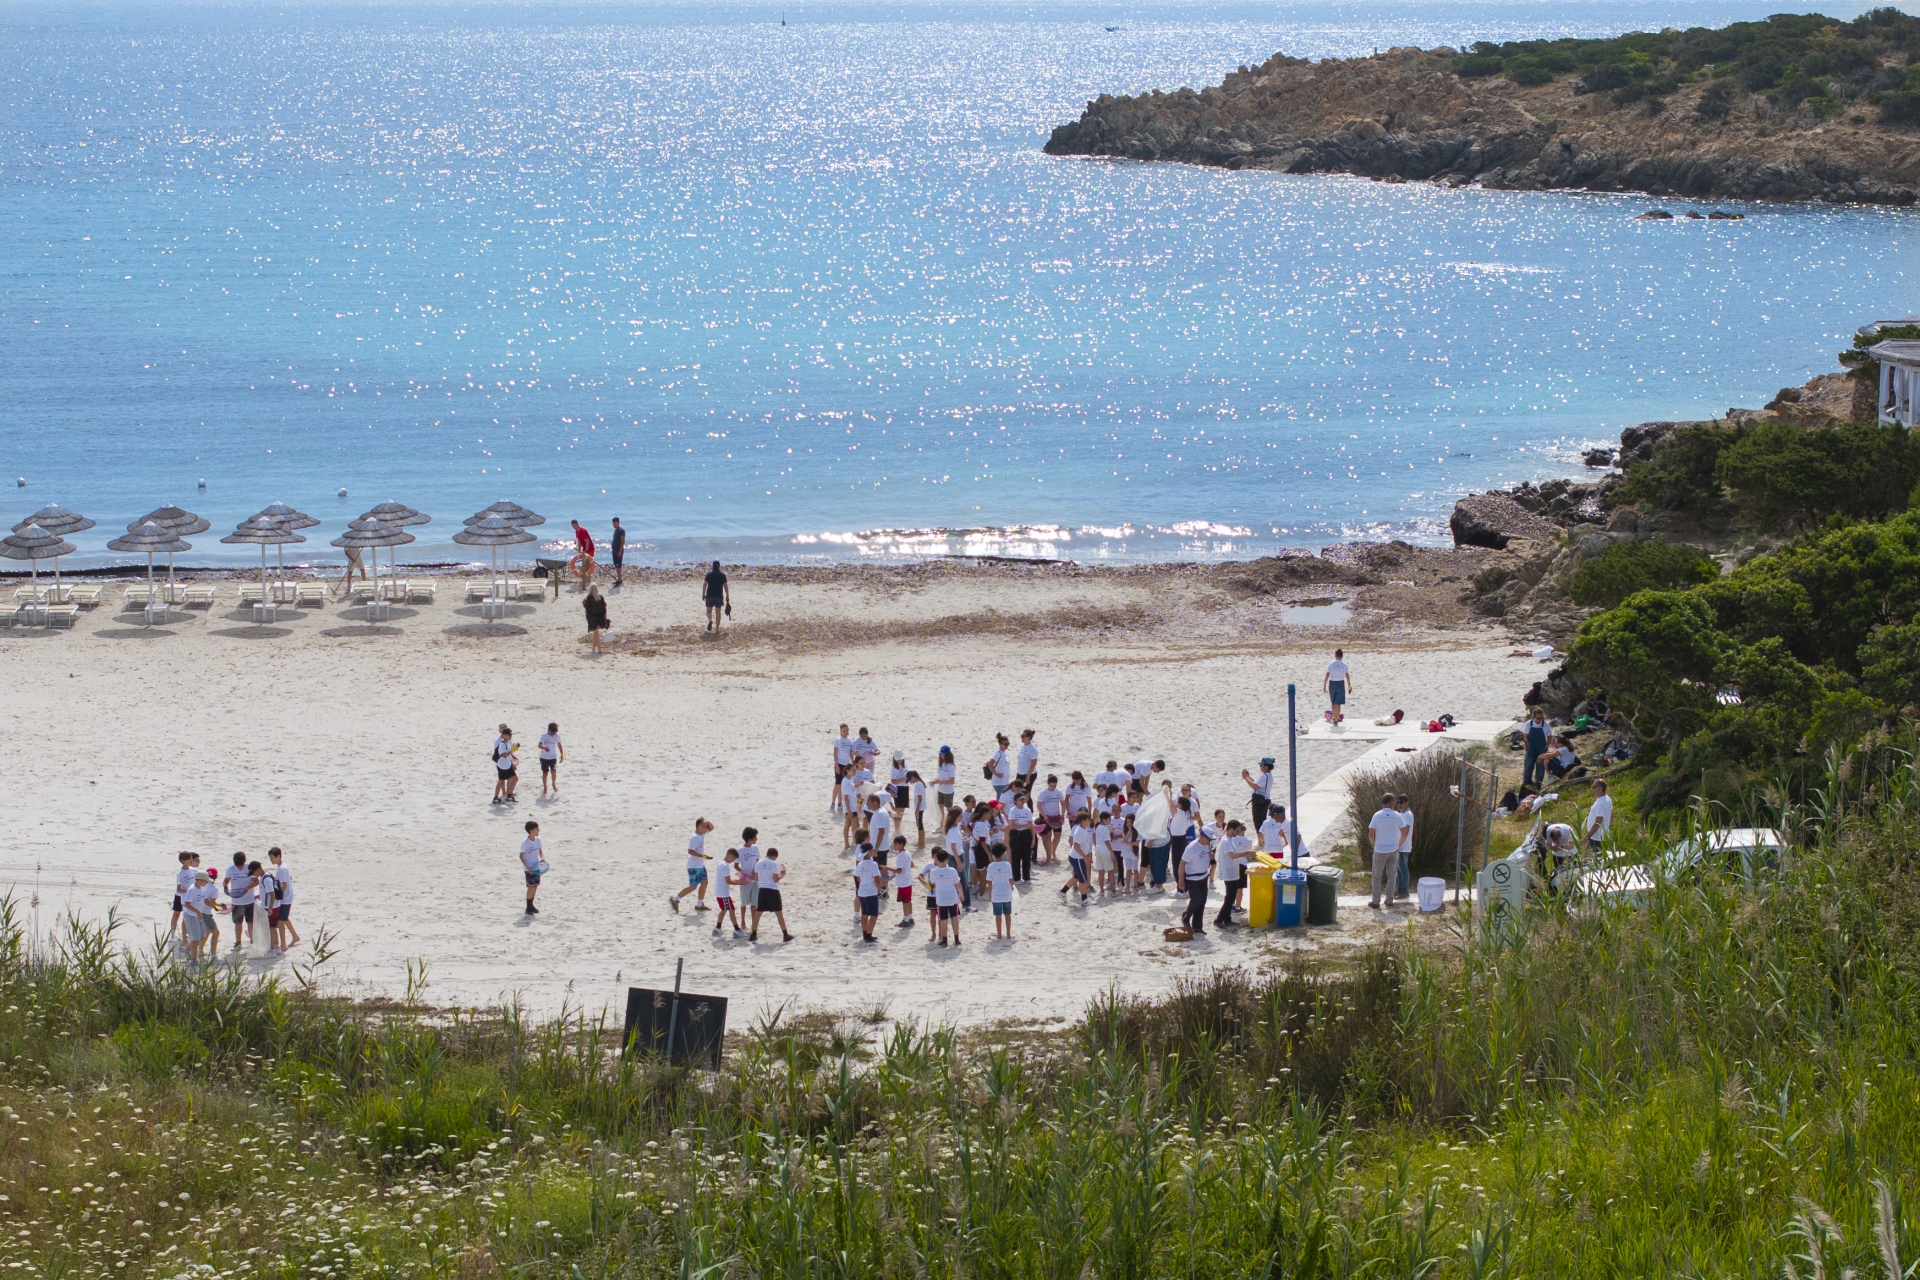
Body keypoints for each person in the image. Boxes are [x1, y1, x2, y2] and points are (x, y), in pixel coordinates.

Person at [670, 818, 715, 913]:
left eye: (705, 826)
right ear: (698, 826)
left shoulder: (702, 834)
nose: (705, 828)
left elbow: (712, 828)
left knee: (704, 883)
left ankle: (699, 904)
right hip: (693, 866)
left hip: (700, 865)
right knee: (693, 886)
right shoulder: (694, 837)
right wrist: (702, 856)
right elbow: (690, 851)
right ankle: (675, 899)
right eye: (703, 826)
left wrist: (707, 822)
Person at [922, 848, 964, 947]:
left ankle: (944, 940)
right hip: (952, 897)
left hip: (941, 898)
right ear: (947, 859)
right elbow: (958, 884)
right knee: (954, 917)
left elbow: (932, 883)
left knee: (943, 918)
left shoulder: (933, 872)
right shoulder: (952, 870)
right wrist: (961, 894)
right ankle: (956, 938)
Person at [750, 848, 791, 943]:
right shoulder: (774, 864)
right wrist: (782, 874)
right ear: (774, 856)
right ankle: (785, 935)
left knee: (758, 913)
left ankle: (753, 934)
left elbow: (756, 878)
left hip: (762, 889)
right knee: (779, 913)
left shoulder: (759, 863)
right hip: (773, 890)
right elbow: (776, 879)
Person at [1367, 793, 1400, 908]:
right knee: (1392, 875)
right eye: (1394, 802)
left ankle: (1376, 900)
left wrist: (1373, 844)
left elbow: (1371, 833)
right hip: (1393, 849)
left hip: (1380, 849)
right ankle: (1389, 899)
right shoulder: (1397, 815)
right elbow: (1405, 830)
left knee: (1377, 876)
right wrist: (1399, 842)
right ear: (1391, 802)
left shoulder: (1377, 815)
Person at [182, 869, 221, 962]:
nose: (207, 883)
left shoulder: (201, 888)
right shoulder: (192, 890)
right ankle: (194, 961)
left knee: (202, 935)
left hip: (199, 915)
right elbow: (187, 904)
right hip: (192, 915)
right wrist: (198, 912)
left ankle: (187, 950)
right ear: (200, 880)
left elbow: (205, 901)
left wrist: (218, 907)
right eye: (205, 881)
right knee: (196, 938)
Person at [1180, 829, 1213, 935]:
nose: (1210, 841)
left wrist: (1210, 856)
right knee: (1196, 899)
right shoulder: (1191, 848)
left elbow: (1207, 854)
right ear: (1202, 837)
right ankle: (1186, 916)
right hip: (1192, 878)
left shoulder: (1207, 845)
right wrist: (1181, 881)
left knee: (1202, 901)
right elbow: (1182, 864)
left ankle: (1197, 926)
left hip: (1203, 876)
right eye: (1208, 839)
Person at [1214, 821, 1248, 926]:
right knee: (1229, 898)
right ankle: (1219, 919)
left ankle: (1227, 919)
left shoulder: (1229, 839)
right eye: (1237, 830)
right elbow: (1232, 855)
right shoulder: (1226, 841)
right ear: (1231, 829)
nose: (1238, 833)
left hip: (1232, 872)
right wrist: (1247, 853)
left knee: (1231, 897)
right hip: (1228, 873)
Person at [266, 847, 299, 951]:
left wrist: (278, 895)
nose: (271, 860)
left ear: (278, 856)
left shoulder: (281, 869)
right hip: (286, 898)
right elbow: (289, 878)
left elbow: (284, 885)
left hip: (285, 899)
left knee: (280, 922)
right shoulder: (283, 867)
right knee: (285, 918)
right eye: (270, 858)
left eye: (272, 858)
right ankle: (295, 936)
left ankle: (283, 945)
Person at [224, 852, 257, 952]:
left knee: (250, 922)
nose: (239, 867)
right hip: (236, 900)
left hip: (249, 900)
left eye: (241, 865)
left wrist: (248, 887)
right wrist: (225, 887)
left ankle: (253, 942)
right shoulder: (231, 869)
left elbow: (256, 881)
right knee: (238, 923)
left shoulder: (249, 868)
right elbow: (226, 880)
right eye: (237, 866)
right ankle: (238, 943)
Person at [853, 843, 884, 943]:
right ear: (869, 851)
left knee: (864, 914)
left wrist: (863, 882)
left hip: (862, 891)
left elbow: (857, 877)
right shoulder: (873, 864)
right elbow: (876, 879)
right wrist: (878, 889)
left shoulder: (860, 864)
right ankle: (869, 935)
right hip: (871, 892)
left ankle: (864, 934)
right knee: (874, 915)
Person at [1062, 812, 1094, 905]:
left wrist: (1088, 854)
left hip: (1079, 857)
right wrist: (1085, 857)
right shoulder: (1079, 831)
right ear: (1083, 821)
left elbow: (1085, 844)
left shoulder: (1084, 829)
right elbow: (1076, 846)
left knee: (1076, 877)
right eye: (1088, 820)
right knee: (1083, 879)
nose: (1090, 822)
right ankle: (1084, 899)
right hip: (1077, 858)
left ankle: (1062, 892)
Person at [986, 843, 1015, 940]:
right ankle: (1008, 934)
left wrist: (990, 895)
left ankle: (999, 934)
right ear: (1003, 854)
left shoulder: (991, 866)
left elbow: (989, 882)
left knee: (998, 915)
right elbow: (1010, 879)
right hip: (1006, 892)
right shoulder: (1007, 865)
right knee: (1007, 914)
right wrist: (1012, 887)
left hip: (996, 893)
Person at [1007, 791, 1036, 882]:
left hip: (1026, 834)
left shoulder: (1027, 810)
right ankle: (1016, 878)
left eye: (1023, 799)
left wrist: (1033, 838)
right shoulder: (1013, 811)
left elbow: (1030, 825)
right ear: (1015, 801)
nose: (1023, 800)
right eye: (1021, 799)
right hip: (1016, 835)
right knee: (1016, 857)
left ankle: (1026, 877)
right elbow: (1012, 826)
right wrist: (1023, 826)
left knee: (1026, 856)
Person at [713, 849, 743, 936]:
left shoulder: (721, 863)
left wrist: (738, 881)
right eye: (733, 858)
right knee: (731, 910)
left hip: (720, 892)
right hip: (723, 894)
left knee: (724, 909)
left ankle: (718, 928)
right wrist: (740, 882)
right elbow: (728, 881)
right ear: (730, 855)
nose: (733, 861)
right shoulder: (725, 866)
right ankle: (737, 929)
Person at [520, 821, 546, 915]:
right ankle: (528, 907)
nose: (538, 830)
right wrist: (527, 867)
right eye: (536, 829)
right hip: (529, 868)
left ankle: (531, 905)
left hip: (537, 866)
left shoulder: (538, 840)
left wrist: (542, 858)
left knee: (535, 886)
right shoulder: (525, 843)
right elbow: (521, 856)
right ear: (531, 831)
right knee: (530, 887)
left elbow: (540, 850)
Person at [1243, 757, 1275, 831]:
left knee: (1258, 822)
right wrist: (1248, 777)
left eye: (1261, 765)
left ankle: (1261, 839)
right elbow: (1256, 783)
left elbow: (1255, 786)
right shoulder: (1268, 775)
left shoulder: (1264, 776)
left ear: (1266, 767)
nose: (1260, 766)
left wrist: (1245, 778)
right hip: (1265, 800)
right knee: (1262, 821)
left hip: (1260, 801)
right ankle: (1263, 838)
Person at [735, 828, 761, 918]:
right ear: (750, 839)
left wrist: (756, 872)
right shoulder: (741, 850)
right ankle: (743, 922)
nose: (756, 839)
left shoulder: (755, 848)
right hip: (745, 880)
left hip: (755, 879)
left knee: (754, 904)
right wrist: (744, 874)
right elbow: (736, 865)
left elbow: (758, 861)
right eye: (755, 837)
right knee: (744, 902)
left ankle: (754, 923)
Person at [1522, 707, 1550, 788]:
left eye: (1541, 718)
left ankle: (1538, 783)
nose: (1539, 720)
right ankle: (1527, 782)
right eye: (1538, 718)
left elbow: (1549, 736)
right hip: (1531, 747)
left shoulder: (1545, 725)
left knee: (1541, 766)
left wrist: (1547, 745)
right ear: (1534, 717)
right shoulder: (1529, 724)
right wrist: (1527, 745)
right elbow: (1526, 736)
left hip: (1541, 748)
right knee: (1528, 765)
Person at [1393, 793, 1414, 903]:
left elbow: (1405, 831)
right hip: (1399, 846)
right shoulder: (1401, 814)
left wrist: (1399, 843)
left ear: (1406, 803)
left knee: (1403, 869)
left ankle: (1404, 890)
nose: (1399, 805)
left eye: (1401, 802)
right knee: (1399, 870)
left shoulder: (1408, 815)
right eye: (1398, 803)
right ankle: (1400, 889)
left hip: (1403, 846)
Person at [170, 851, 196, 940]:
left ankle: (186, 934)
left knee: (187, 915)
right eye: (189, 859)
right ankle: (172, 934)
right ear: (183, 860)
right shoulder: (180, 873)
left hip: (190, 897)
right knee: (176, 914)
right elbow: (179, 889)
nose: (191, 860)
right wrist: (189, 891)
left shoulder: (193, 870)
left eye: (191, 858)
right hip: (180, 896)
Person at [892, 837, 916, 930]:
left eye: (896, 844)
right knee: (908, 900)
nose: (895, 846)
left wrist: (887, 868)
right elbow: (912, 865)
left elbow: (899, 870)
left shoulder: (901, 856)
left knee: (904, 901)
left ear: (901, 845)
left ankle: (906, 920)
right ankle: (910, 918)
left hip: (903, 881)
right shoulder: (907, 853)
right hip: (908, 879)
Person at [491, 724, 519, 804]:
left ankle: (509, 795)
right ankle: (496, 797)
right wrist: (511, 751)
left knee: (514, 778)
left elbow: (509, 752)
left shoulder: (508, 741)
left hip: (508, 763)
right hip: (502, 765)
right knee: (501, 781)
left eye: (511, 734)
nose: (511, 736)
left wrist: (513, 756)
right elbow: (504, 755)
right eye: (509, 735)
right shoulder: (500, 743)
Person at [1324, 649, 1352, 726]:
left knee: (1333, 702)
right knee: (1338, 703)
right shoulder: (1344, 664)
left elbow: (1327, 674)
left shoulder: (1331, 664)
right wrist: (1349, 685)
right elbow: (1347, 675)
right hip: (1340, 683)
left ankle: (1334, 718)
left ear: (1335, 655)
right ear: (1342, 656)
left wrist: (1324, 685)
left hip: (1332, 683)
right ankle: (1336, 719)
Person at [1584, 779, 1613, 851]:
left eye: (1593, 787)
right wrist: (1608, 827)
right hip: (1601, 836)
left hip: (1596, 839)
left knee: (1592, 860)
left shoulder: (1601, 803)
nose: (1592, 789)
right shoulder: (1607, 798)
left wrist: (1587, 837)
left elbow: (1598, 822)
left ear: (1600, 789)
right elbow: (1611, 814)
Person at [831, 724, 855, 812]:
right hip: (839, 764)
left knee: (843, 784)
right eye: (844, 731)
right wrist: (836, 765)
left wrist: (853, 762)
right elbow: (835, 753)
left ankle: (840, 803)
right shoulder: (838, 740)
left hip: (846, 764)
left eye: (847, 730)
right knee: (837, 784)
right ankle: (832, 803)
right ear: (841, 731)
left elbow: (850, 753)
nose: (845, 732)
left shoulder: (850, 740)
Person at [537, 722, 564, 796]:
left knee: (554, 772)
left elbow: (559, 745)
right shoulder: (544, 735)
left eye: (554, 732)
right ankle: (545, 787)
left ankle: (553, 784)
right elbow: (539, 745)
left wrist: (562, 754)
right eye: (551, 732)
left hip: (553, 757)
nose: (552, 734)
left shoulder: (557, 736)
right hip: (544, 757)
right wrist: (544, 748)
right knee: (545, 773)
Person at [934, 746, 957, 827]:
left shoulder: (951, 766)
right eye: (941, 754)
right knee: (940, 807)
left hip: (948, 791)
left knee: (949, 809)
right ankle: (941, 824)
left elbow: (952, 780)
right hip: (940, 790)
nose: (942, 756)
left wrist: (943, 782)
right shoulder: (940, 765)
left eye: (943, 754)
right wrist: (934, 781)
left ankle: (950, 824)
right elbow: (939, 777)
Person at [702, 560, 729, 631]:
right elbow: (726, 586)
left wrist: (703, 594)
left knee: (708, 611)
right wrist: (727, 595)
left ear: (713, 566)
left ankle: (710, 620)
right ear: (719, 566)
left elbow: (704, 584)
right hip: (719, 596)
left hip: (710, 595)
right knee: (718, 613)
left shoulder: (709, 574)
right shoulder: (722, 575)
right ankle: (717, 628)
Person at [584, 585, 610, 654]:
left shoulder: (589, 597)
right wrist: (605, 618)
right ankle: (593, 648)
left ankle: (599, 649)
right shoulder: (601, 597)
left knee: (596, 633)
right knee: (595, 633)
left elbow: (587, 607)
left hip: (592, 617)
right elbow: (604, 609)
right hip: (600, 617)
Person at [987, 734, 1012, 799]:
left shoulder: (1004, 753)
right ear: (1000, 744)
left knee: (1003, 798)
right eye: (1005, 744)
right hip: (999, 782)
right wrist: (996, 774)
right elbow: (990, 763)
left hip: (1005, 781)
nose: (1007, 746)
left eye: (1008, 744)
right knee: (1001, 799)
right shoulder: (998, 753)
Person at [1015, 730, 1039, 795]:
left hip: (1029, 774)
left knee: (1026, 794)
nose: (1021, 738)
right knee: (1016, 792)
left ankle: (1029, 805)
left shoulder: (1033, 749)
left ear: (1028, 737)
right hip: (1020, 773)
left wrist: (1028, 776)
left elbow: (1034, 763)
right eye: (1021, 736)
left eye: (1023, 736)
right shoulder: (1021, 746)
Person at [609, 516, 627, 587]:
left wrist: (620, 550)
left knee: (618, 565)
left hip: (619, 550)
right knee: (616, 565)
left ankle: (619, 580)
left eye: (615, 523)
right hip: (614, 550)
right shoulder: (615, 530)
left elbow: (622, 541)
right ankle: (618, 579)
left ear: (618, 523)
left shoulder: (621, 531)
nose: (614, 525)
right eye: (613, 523)